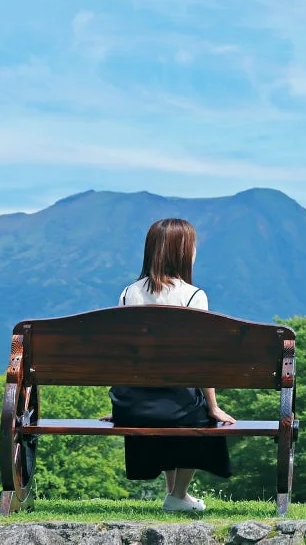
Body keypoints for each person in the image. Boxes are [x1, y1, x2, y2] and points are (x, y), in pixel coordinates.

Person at [107, 217, 237, 512]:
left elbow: (123, 355)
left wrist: (119, 404)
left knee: (175, 402)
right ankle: (178, 493)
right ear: (182, 252)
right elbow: (201, 360)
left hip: (135, 403)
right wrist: (213, 406)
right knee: (194, 410)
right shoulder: (192, 296)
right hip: (175, 404)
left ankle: (174, 496)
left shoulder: (129, 293)